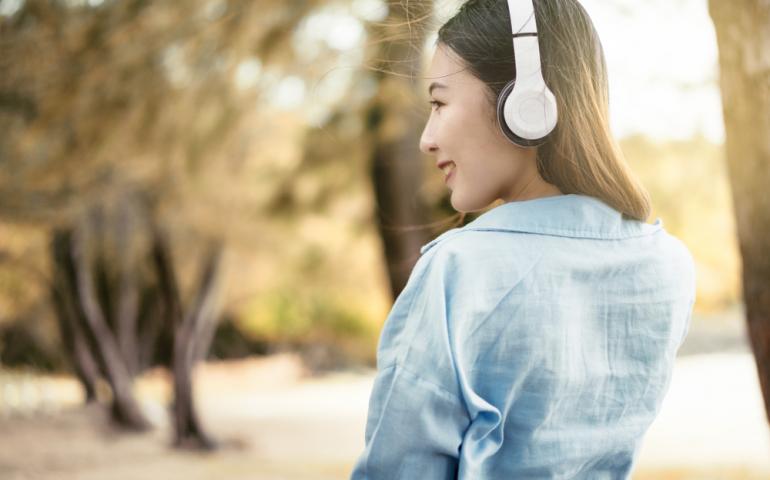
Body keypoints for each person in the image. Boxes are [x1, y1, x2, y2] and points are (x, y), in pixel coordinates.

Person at [350, 0, 696, 478]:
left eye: (439, 102)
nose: (426, 138)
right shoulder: (669, 265)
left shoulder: (458, 271)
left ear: (525, 102)